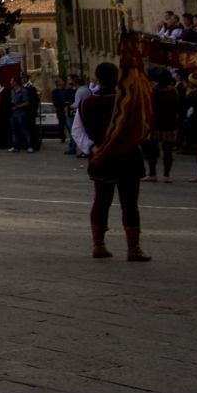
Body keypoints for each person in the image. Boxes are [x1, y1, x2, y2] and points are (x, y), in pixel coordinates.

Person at [73, 61, 150, 261]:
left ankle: (99, 245)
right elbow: (142, 127)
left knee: (101, 202)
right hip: (128, 157)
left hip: (101, 158)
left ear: (98, 78)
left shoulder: (87, 102)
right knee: (130, 204)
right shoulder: (129, 102)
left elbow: (77, 131)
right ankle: (133, 248)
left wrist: (92, 148)